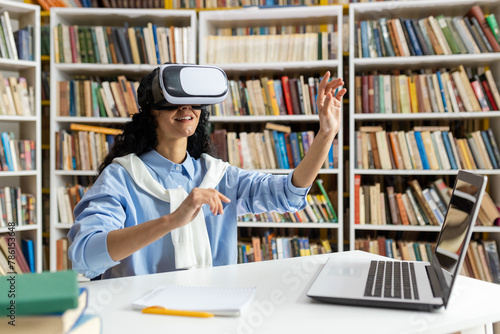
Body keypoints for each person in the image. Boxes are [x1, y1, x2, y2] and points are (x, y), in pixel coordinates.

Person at [67, 66, 346, 279]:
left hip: (213, 314)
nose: (186, 107)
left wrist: (326, 134)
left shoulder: (218, 176)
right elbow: (85, 256)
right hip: (138, 318)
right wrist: (173, 219)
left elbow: (288, 193)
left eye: (193, 100)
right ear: (151, 111)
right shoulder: (121, 178)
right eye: (173, 100)